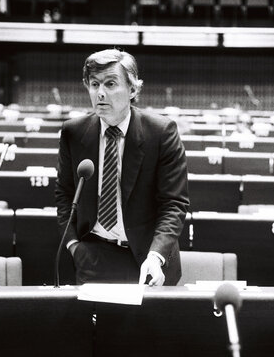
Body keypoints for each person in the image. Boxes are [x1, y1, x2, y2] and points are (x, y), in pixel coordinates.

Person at [55, 48, 189, 286]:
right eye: (94, 84)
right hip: (93, 256)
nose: (100, 93)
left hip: (148, 260)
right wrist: (74, 246)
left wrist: (156, 256)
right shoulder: (73, 132)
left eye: (110, 84)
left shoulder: (161, 133)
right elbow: (65, 195)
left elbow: (174, 204)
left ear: (133, 89)